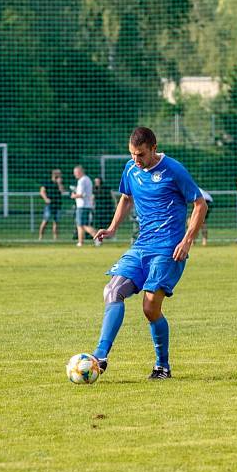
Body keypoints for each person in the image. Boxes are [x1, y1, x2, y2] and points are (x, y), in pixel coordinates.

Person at [92, 127, 207, 379]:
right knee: (112, 291)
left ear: (154, 148)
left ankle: (162, 366)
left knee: (150, 307)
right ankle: (100, 356)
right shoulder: (131, 169)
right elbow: (125, 197)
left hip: (168, 249)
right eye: (132, 154)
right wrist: (112, 229)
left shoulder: (174, 170)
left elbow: (200, 204)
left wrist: (187, 240)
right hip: (141, 246)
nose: (136, 160)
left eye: (141, 154)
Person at [70, 165, 99, 247]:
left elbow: (81, 194)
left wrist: (73, 195)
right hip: (85, 205)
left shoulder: (82, 180)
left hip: (83, 206)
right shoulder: (87, 179)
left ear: (80, 172)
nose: (75, 174)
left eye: (75, 172)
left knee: (84, 225)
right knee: (80, 225)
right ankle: (80, 242)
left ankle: (98, 237)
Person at [38, 169, 65, 241]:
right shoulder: (47, 182)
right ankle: (40, 237)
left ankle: (55, 238)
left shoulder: (59, 183)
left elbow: (62, 191)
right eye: (59, 174)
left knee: (56, 222)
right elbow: (42, 191)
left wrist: (59, 183)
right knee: (45, 220)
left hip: (58, 204)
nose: (60, 176)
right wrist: (46, 199)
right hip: (49, 205)